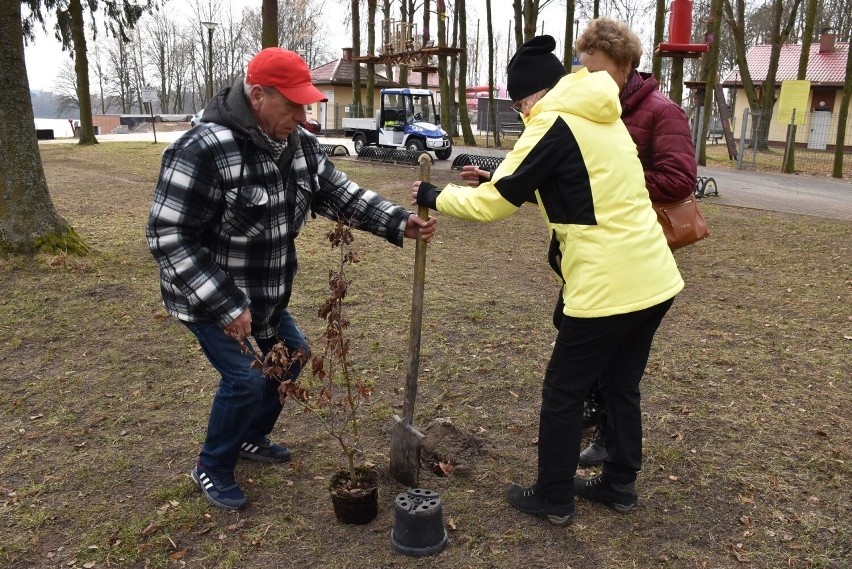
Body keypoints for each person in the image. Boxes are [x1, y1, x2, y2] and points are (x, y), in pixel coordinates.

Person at [147, 47, 435, 511]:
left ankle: (250, 436)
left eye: (306, 105)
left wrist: (397, 221)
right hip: (208, 297)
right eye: (293, 105)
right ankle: (212, 465)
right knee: (243, 381)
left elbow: (338, 193)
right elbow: (168, 235)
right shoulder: (203, 148)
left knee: (294, 354)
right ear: (258, 96)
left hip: (265, 297)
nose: (303, 116)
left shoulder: (297, 146)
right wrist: (225, 303)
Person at [412, 35, 683, 525]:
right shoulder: (603, 115)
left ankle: (553, 496)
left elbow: (492, 205)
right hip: (655, 277)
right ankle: (620, 484)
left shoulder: (551, 122)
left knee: (564, 390)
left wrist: (436, 196)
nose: (520, 113)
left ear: (534, 95)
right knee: (621, 385)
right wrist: (496, 178)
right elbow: (580, 193)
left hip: (607, 286)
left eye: (519, 104)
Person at [574, 17, 698, 466]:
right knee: (583, 338)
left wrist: (616, 178)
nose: (590, 82)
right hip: (597, 249)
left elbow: (682, 178)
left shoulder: (661, 111)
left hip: (636, 250)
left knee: (616, 362)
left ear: (627, 67)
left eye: (600, 73)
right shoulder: (589, 108)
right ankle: (600, 422)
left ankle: (609, 440)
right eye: (583, 71)